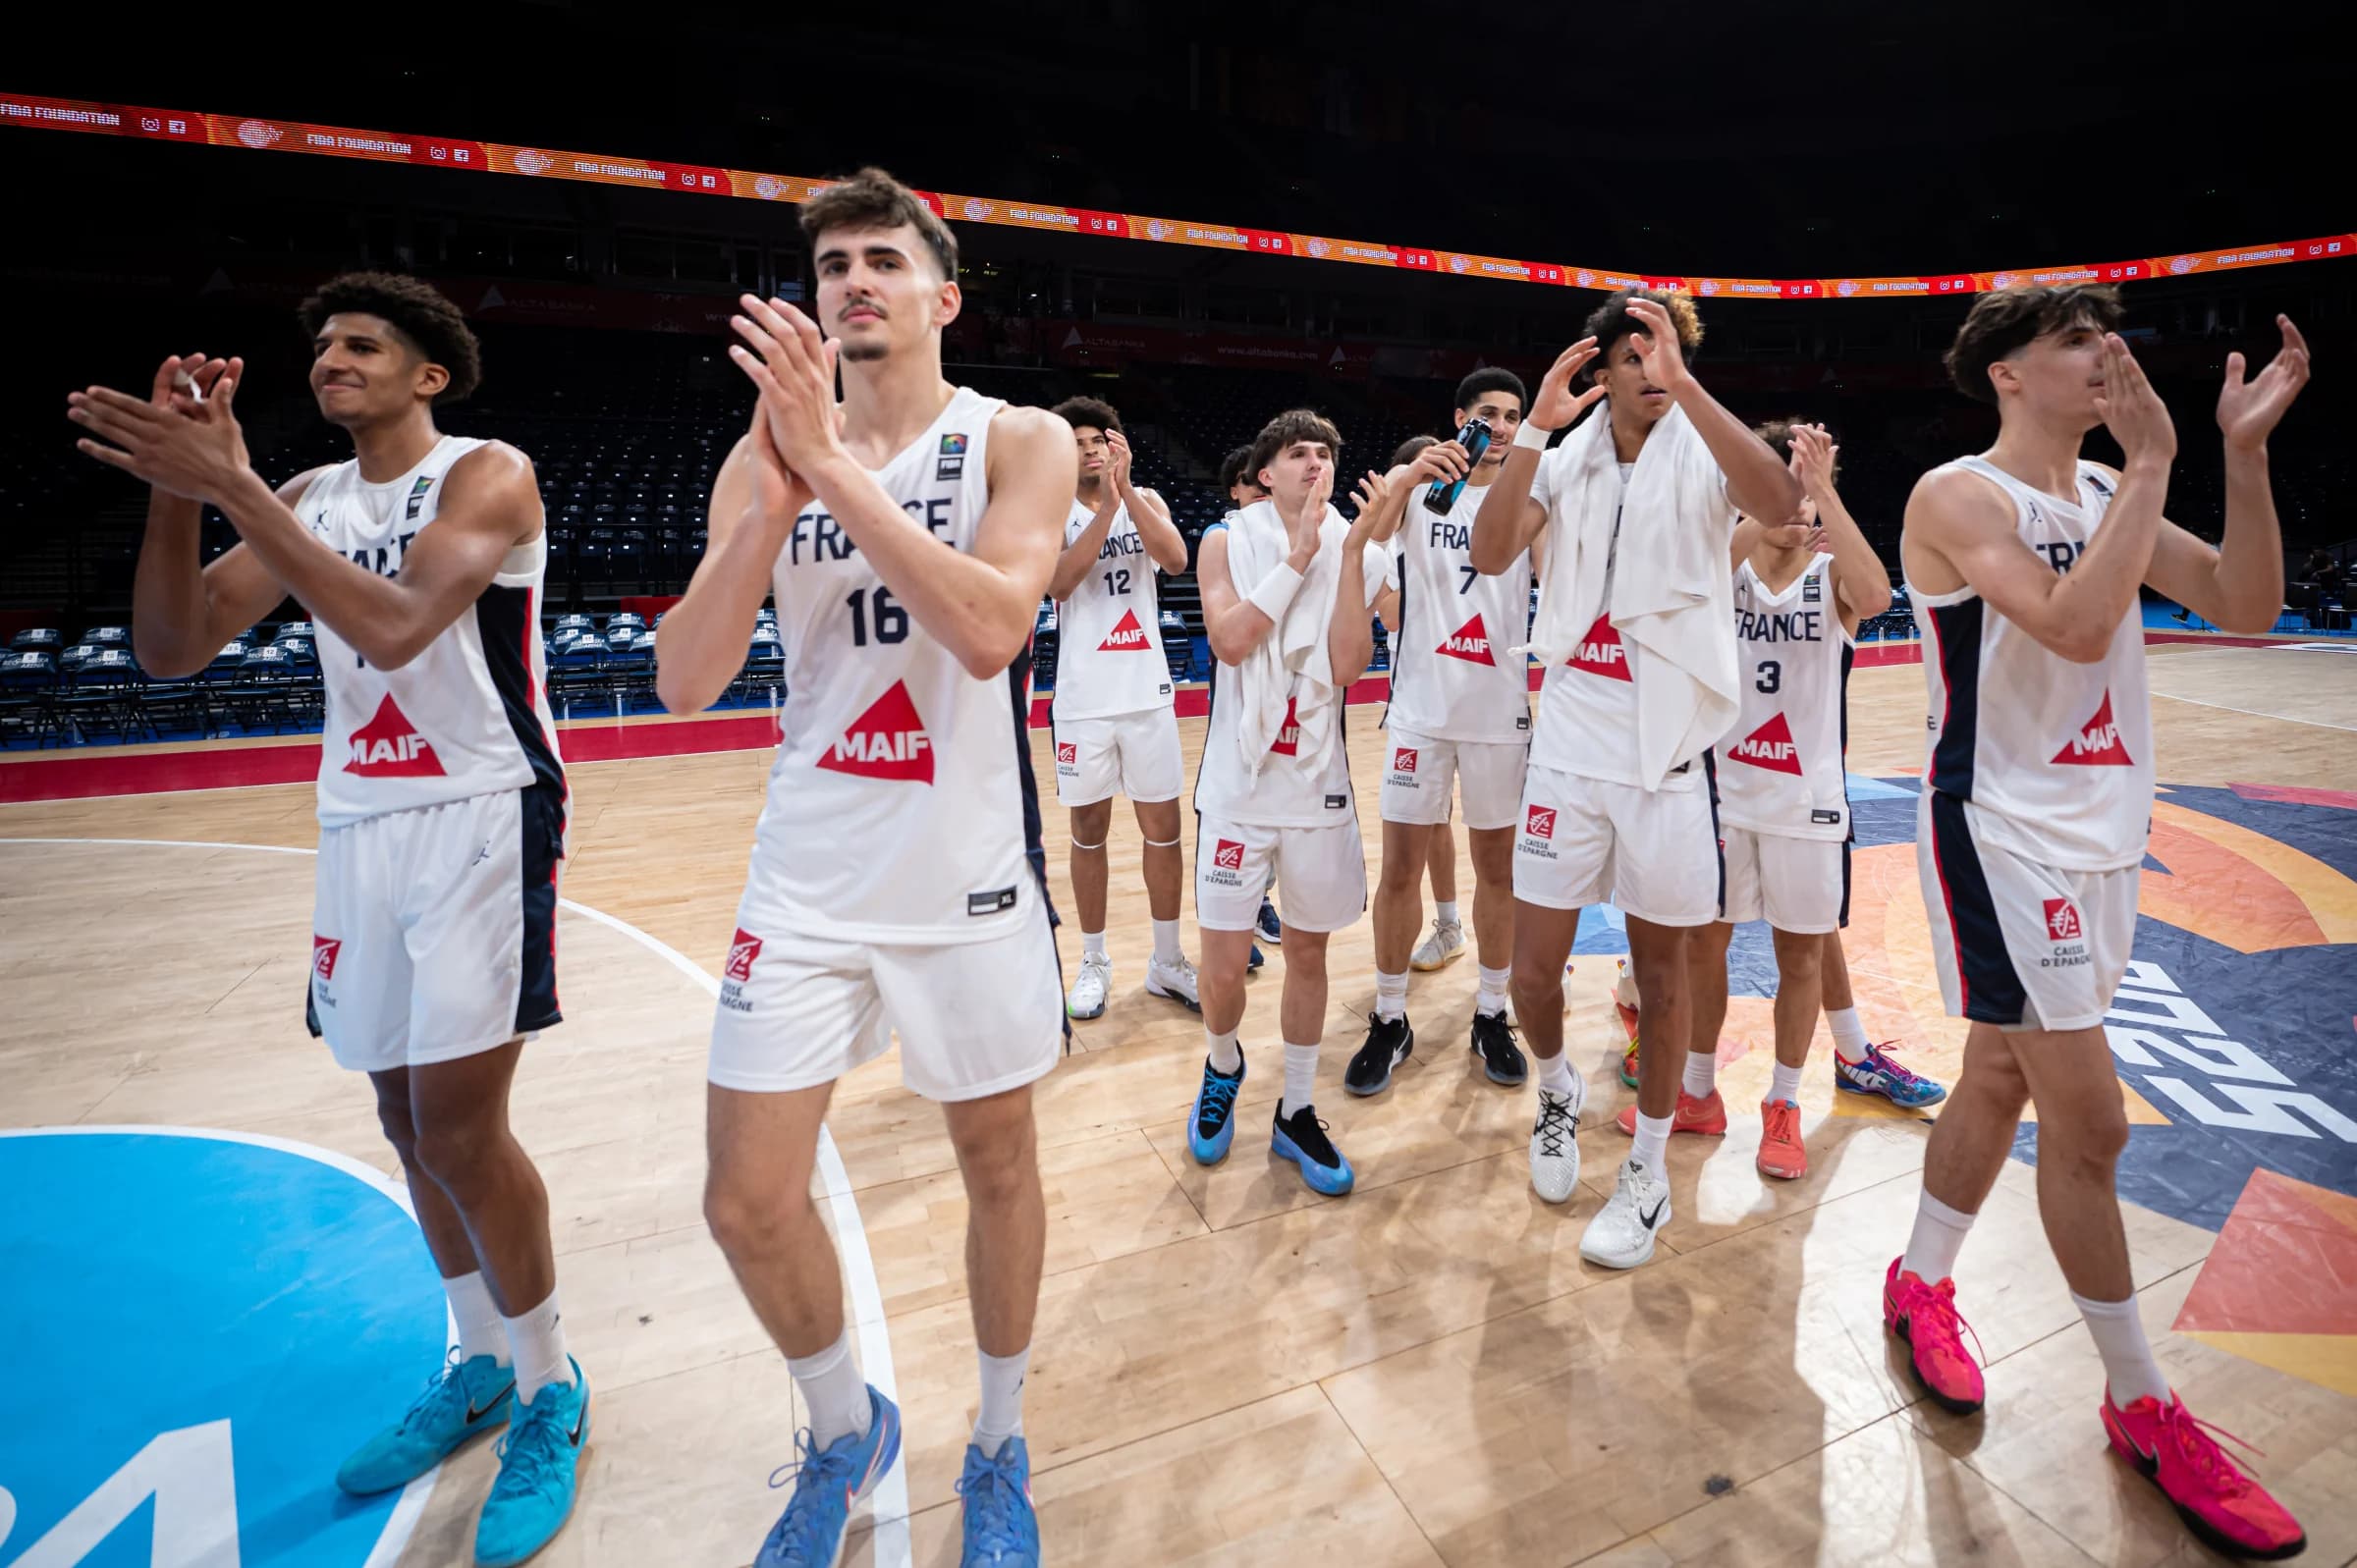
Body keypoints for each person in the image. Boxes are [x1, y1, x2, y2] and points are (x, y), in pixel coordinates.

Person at [73, 273, 587, 1566]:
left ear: (430, 374)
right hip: (361, 820)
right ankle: (473, 1359)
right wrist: (179, 488)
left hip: (483, 809)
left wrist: (236, 484)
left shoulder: (488, 473)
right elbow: (173, 646)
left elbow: (407, 627)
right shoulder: (307, 497)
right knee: (399, 1111)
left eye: (362, 343)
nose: (329, 359)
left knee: (464, 1123)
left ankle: (550, 1386)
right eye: (320, 346)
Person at [659, 169, 1068, 1568]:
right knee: (744, 1199)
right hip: (809, 873)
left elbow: (992, 630)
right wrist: (777, 501)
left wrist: (831, 469)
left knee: (996, 1165)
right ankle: (847, 1428)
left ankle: (1000, 1441)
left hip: (966, 876)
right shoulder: (755, 461)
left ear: (942, 295)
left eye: (882, 260)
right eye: (832, 265)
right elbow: (682, 679)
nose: (852, 283)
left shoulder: (1019, 440)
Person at [1888, 286, 2309, 1559]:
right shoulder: (1957, 496)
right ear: (2008, 375)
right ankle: (2142, 1404)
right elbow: (2072, 627)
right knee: (2094, 1122)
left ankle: (1917, 1282)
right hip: (2001, 830)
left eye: (2109, 334)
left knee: (2002, 1074)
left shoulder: (2102, 501)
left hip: (2100, 830)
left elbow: (2244, 603)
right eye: (2075, 338)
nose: (2106, 352)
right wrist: (2157, 466)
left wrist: (2237, 455)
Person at [1471, 290, 1801, 1269]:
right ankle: (1559, 1088)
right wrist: (1534, 421)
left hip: (1665, 754)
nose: (1652, 369)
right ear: (1602, 367)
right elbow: (1491, 552)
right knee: (1532, 972)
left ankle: (1650, 1168)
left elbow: (1783, 504)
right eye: (1634, 354)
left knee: (1663, 976)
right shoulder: (1563, 460)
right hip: (1571, 739)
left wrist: (1688, 382)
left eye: (1668, 353)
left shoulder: (1704, 451)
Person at [1653, 418, 1938, 1181]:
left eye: (1801, 492)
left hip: (1807, 801)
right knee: (1703, 945)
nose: (1793, 507)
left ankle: (1783, 1104)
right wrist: (1764, 504)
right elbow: (1684, 582)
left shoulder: (1832, 578)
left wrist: (1822, 491)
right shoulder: (1728, 567)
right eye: (1776, 488)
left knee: (1799, 953)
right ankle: (1697, 1090)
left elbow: (1877, 594)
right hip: (1721, 795)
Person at [1184, 409, 1391, 1194]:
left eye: (1326, 453)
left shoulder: (1356, 547)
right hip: (1237, 789)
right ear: (1265, 471)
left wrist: (1340, 559)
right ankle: (1224, 1061)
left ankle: (1296, 1109)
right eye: (1298, 452)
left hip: (1316, 787)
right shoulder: (1224, 540)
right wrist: (1298, 556)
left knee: (1309, 951)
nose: (1316, 462)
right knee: (1225, 961)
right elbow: (1231, 641)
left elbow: (1344, 666)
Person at [1350, 373, 1539, 1096]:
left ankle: (1492, 1010)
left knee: (1499, 869)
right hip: (1421, 711)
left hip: (1499, 712)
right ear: (1459, 419)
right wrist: (1404, 480)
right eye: (1486, 414)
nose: (1498, 426)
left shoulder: (1530, 497)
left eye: (1512, 417)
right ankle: (1390, 1014)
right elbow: (1365, 542)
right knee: (1399, 868)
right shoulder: (1422, 485)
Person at [1045, 396, 1198, 1019]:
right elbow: (1058, 583)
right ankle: (1094, 960)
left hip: (1146, 693)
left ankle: (1165, 960)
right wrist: (1106, 510)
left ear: (1118, 446)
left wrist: (1126, 494)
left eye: (1098, 440)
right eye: (1078, 442)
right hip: (1083, 698)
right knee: (1088, 833)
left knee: (1163, 830)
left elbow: (1177, 560)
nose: (1090, 450)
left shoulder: (1149, 500)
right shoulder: (1050, 510)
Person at [1218, 444, 1280, 967]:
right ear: (1234, 490)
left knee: (1283, 810)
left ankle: (1262, 899)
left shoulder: (1294, 539)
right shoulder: (1223, 541)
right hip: (1238, 696)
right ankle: (1235, 918)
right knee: (1239, 815)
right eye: (1246, 481)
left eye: (1261, 480)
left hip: (1293, 702)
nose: (1257, 490)